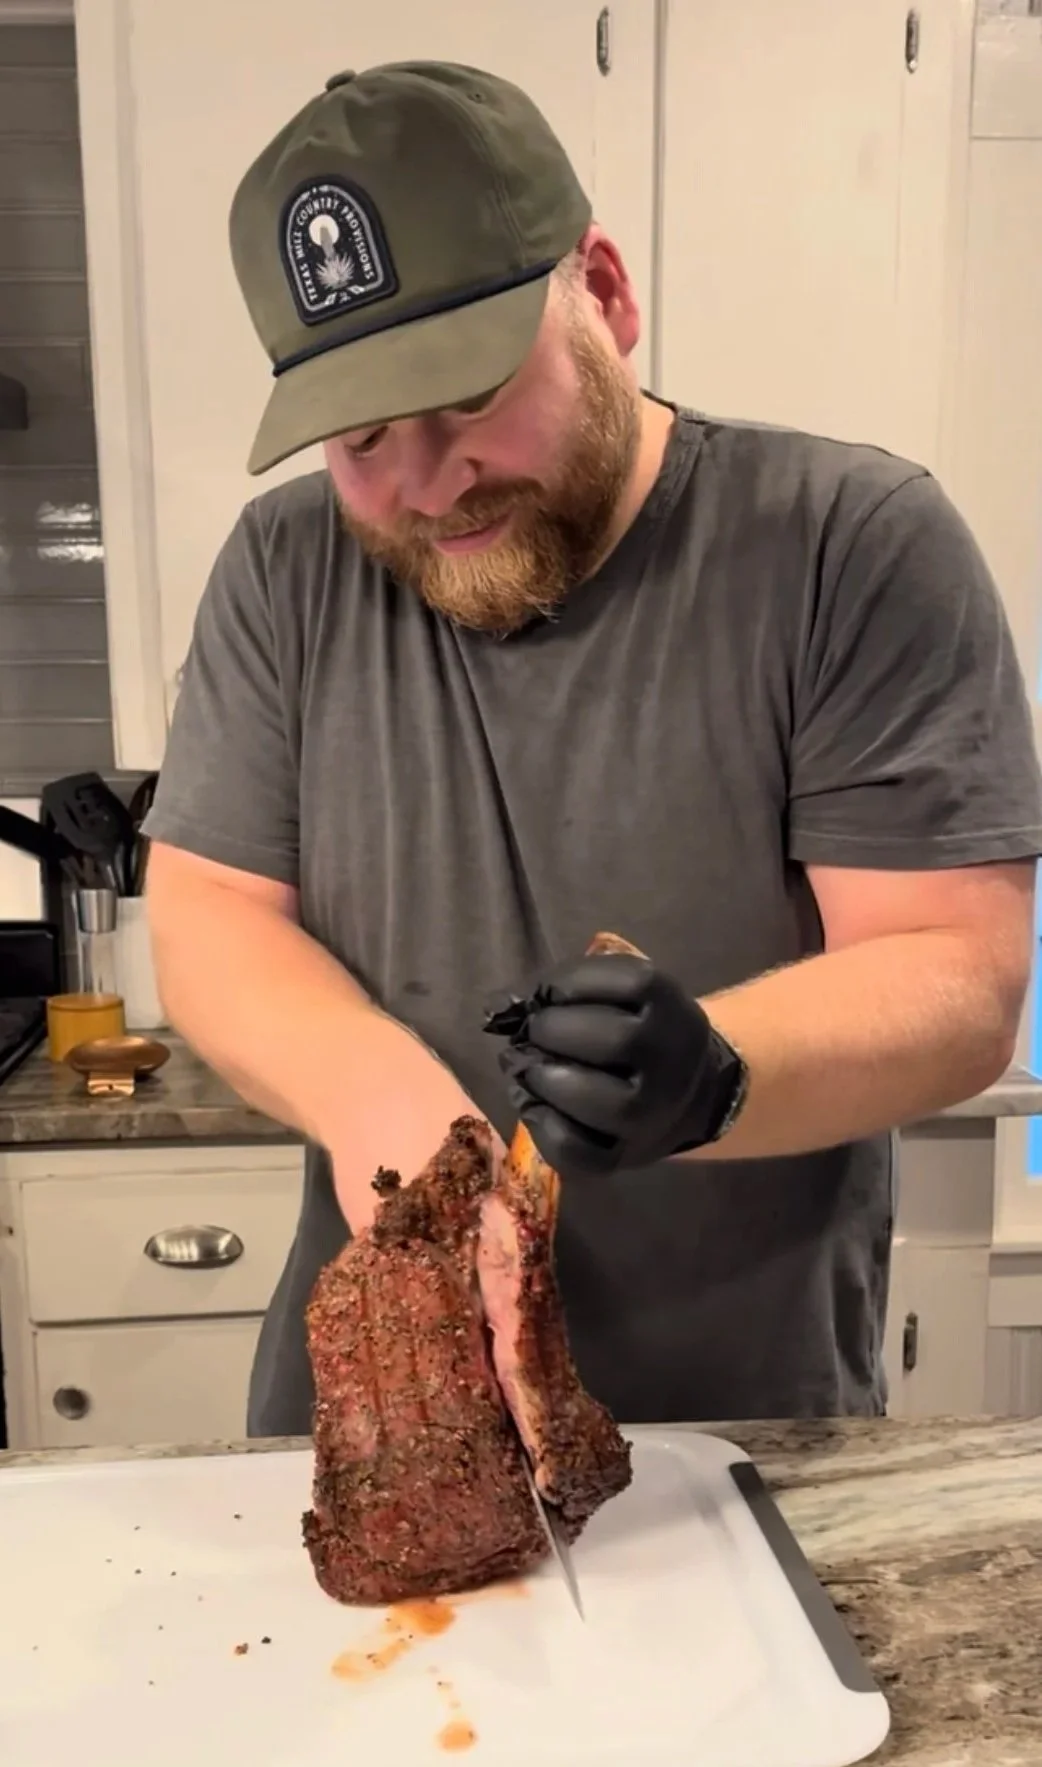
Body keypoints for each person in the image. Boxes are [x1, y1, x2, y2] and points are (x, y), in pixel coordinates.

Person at [142, 60, 1042, 1437]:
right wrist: (390, 1105)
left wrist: (716, 1071)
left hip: (743, 1419)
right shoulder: (284, 569)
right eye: (362, 436)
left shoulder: (847, 545)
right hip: (388, 1428)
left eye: (467, 397)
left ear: (604, 296)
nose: (426, 483)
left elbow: (960, 975)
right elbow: (210, 908)